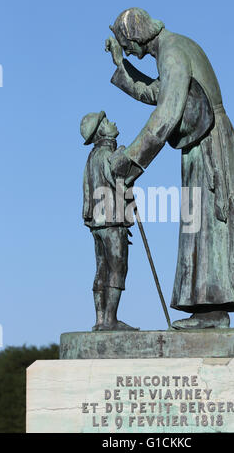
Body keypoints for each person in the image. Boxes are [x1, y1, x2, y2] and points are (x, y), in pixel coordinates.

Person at [105, 8, 234, 329]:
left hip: (209, 142)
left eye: (127, 44)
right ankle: (207, 311)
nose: (130, 48)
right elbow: (156, 92)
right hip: (200, 140)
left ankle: (212, 312)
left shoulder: (173, 52)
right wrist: (122, 66)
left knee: (208, 225)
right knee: (199, 226)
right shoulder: (172, 48)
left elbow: (167, 114)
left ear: (134, 38)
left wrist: (131, 160)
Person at [81, 110, 138, 331]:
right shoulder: (108, 154)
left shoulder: (92, 157)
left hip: (97, 223)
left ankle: (100, 320)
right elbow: (120, 185)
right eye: (105, 121)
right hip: (112, 221)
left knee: (101, 269)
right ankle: (111, 320)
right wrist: (125, 168)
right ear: (99, 131)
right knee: (117, 268)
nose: (111, 121)